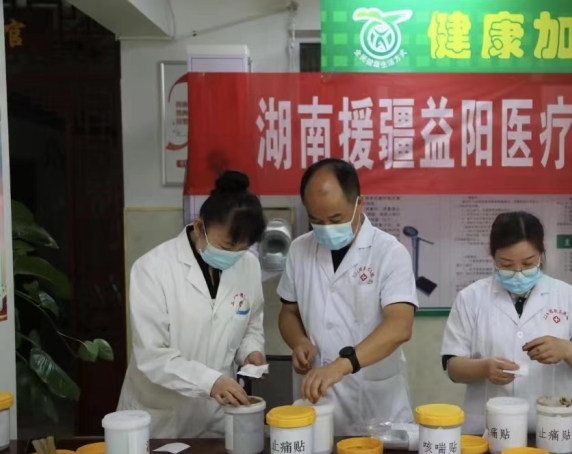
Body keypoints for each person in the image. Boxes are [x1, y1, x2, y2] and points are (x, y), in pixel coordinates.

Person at [118, 171, 267, 438]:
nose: (234, 257)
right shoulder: (152, 269)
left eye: (243, 249)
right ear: (199, 227)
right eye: (226, 246)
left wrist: (251, 351)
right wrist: (209, 381)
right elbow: (152, 355)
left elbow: (251, 323)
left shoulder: (248, 266)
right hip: (162, 417)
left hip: (217, 413)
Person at [277, 158, 417, 435]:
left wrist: (342, 365)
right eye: (316, 221)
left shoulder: (389, 252)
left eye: (335, 219)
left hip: (377, 407)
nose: (326, 228)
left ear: (359, 204)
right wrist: (299, 341)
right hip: (317, 402)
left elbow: (400, 326)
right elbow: (288, 312)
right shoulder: (299, 249)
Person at [441, 211, 572, 434]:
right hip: (488, 429)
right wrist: (484, 368)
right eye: (506, 264)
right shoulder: (471, 298)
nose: (518, 273)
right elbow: (453, 367)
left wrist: (566, 349)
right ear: (493, 258)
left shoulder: (569, 297)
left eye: (528, 263)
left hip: (552, 428)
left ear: (541, 254)